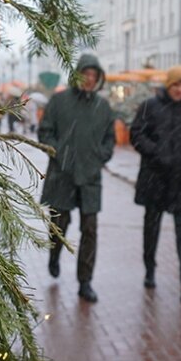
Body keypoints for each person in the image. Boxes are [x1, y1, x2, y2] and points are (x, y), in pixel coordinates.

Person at [39, 54, 116, 303]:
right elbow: (45, 132)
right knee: (59, 225)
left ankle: (85, 281)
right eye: (86, 74)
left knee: (90, 229)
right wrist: (59, 154)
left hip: (90, 177)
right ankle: (54, 256)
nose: (89, 80)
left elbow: (109, 140)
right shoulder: (59, 101)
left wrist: (99, 158)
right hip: (62, 175)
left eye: (94, 76)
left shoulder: (103, 108)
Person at [129, 66, 181, 307]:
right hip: (156, 177)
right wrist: (156, 152)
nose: (180, 90)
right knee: (151, 227)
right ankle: (150, 268)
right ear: (168, 85)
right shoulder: (150, 106)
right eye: (176, 85)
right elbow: (136, 134)